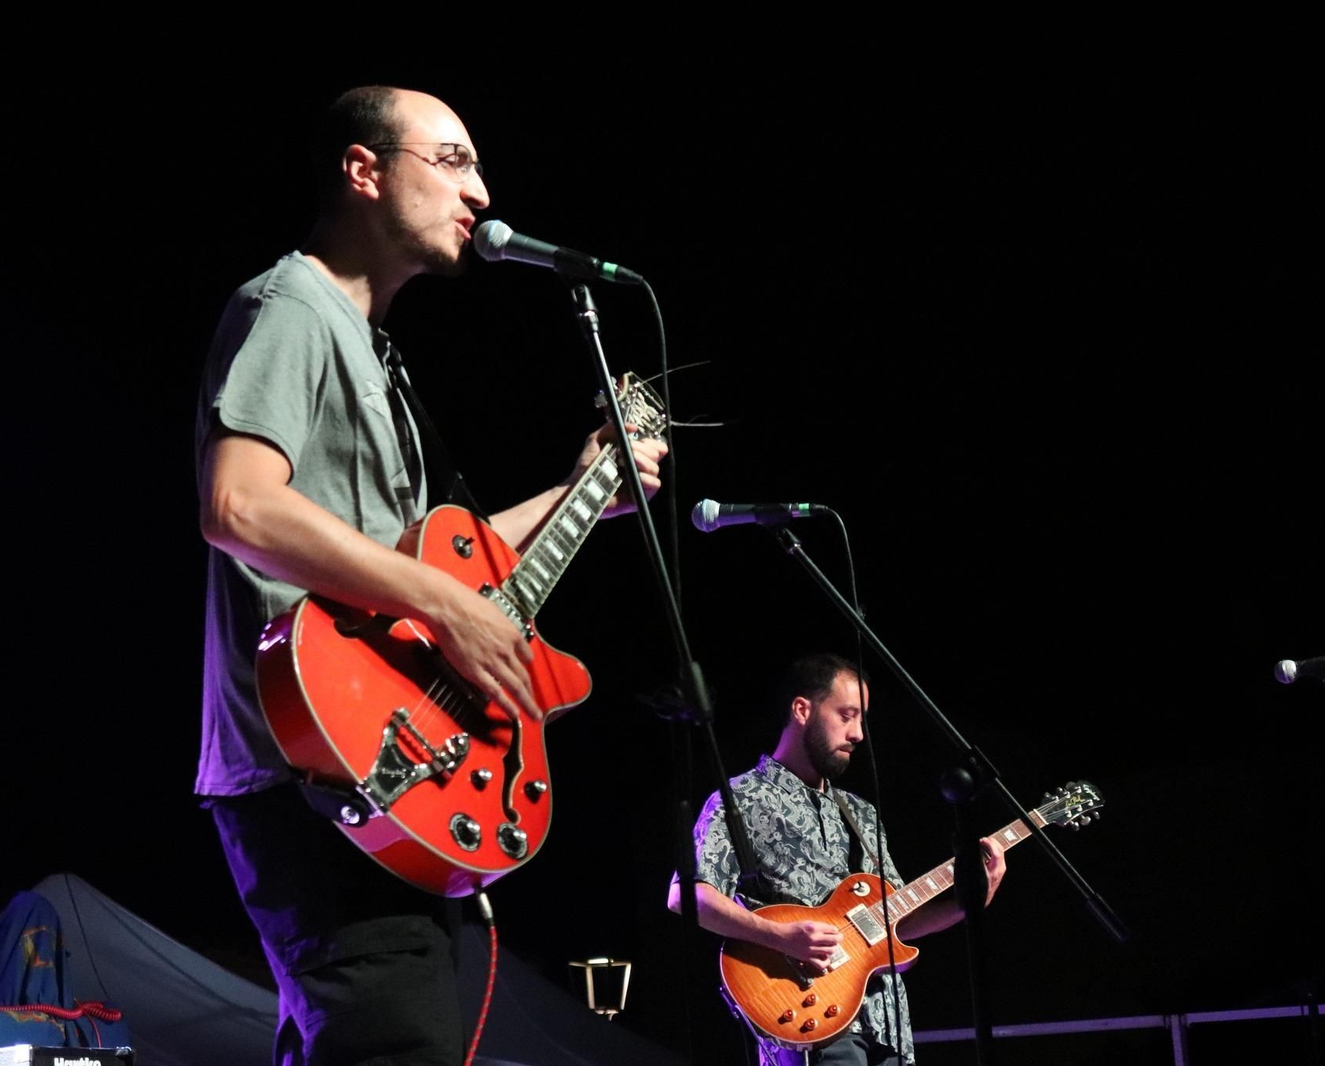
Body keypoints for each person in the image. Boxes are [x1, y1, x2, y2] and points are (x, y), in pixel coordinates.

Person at [195, 86, 667, 1066]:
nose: (481, 192)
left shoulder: (373, 351)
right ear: (364, 172)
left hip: (378, 760)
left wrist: (580, 494)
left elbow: (415, 565)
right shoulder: (289, 305)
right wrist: (451, 605)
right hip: (313, 767)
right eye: (450, 161)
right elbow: (238, 505)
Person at [669, 654, 1007, 1066]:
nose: (859, 734)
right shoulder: (739, 798)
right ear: (802, 710)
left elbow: (898, 920)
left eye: (862, 720)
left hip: (887, 1025)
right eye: (847, 716)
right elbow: (687, 896)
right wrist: (781, 937)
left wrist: (969, 899)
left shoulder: (861, 813)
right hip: (807, 1019)